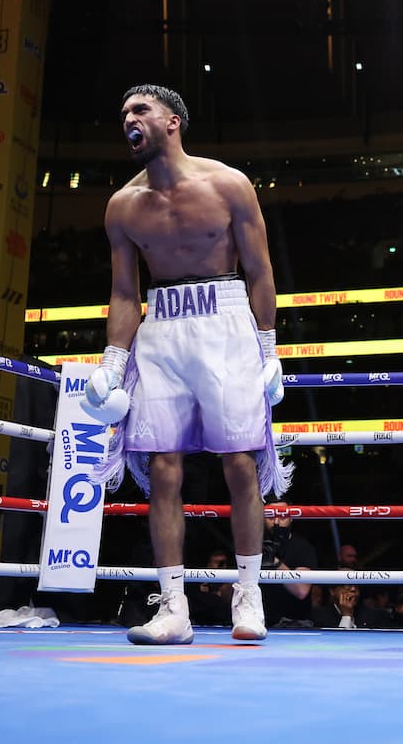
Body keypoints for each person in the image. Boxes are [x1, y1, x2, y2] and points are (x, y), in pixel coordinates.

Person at [84, 84, 289, 646]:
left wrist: (269, 349)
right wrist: (112, 360)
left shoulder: (228, 185)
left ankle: (249, 595)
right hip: (162, 328)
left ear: (172, 121)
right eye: (122, 111)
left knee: (241, 463)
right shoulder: (122, 206)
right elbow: (126, 293)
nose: (128, 118)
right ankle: (172, 608)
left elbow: (261, 273)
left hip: (225, 321)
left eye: (139, 109)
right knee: (163, 469)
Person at [262, 501, 318, 628]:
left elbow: (301, 590)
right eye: (270, 516)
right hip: (260, 621)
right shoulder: (253, 547)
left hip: (296, 622)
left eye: (282, 516)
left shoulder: (303, 547)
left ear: (291, 517)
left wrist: (275, 563)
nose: (276, 522)